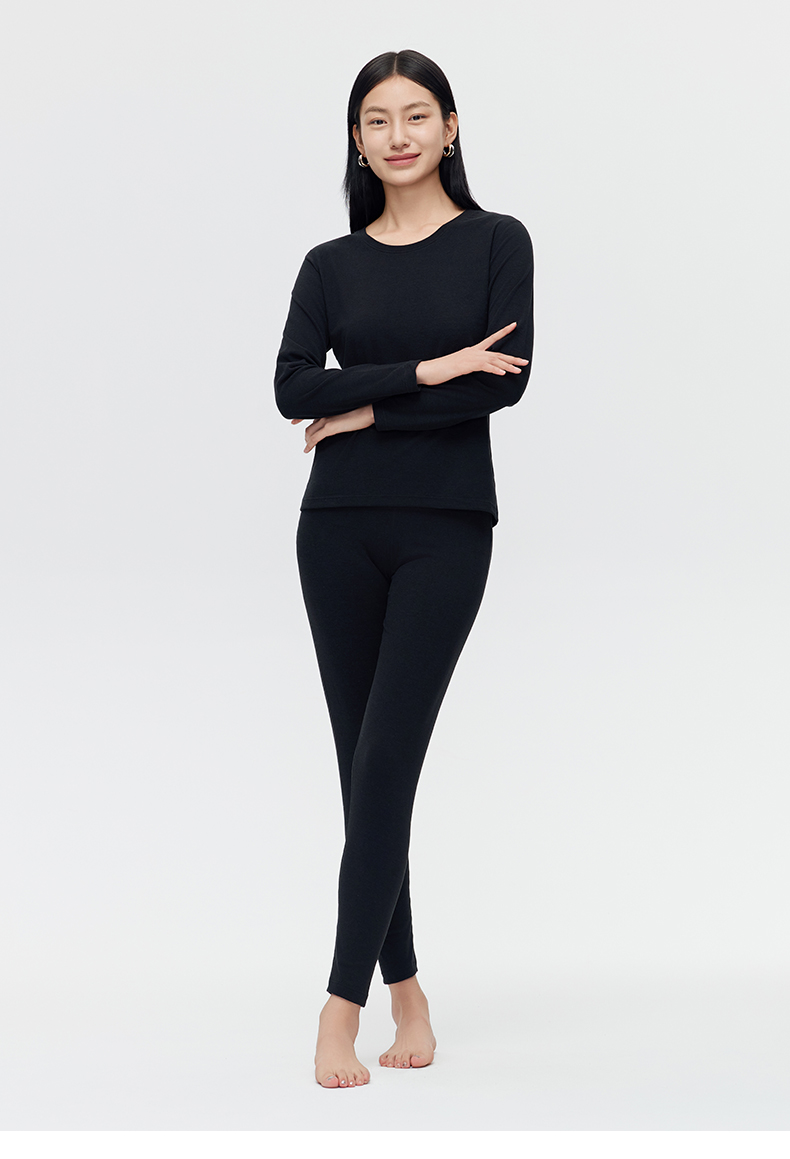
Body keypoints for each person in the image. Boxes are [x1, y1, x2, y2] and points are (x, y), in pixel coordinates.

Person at [274, 48, 534, 1089]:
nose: (398, 135)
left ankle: (338, 1006)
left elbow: (500, 383)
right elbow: (293, 389)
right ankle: (409, 987)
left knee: (385, 759)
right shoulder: (329, 264)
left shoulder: (496, 241)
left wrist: (370, 408)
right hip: (335, 528)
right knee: (362, 769)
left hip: (444, 527)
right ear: (357, 141)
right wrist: (430, 368)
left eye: (416, 115)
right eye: (377, 120)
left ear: (451, 128)